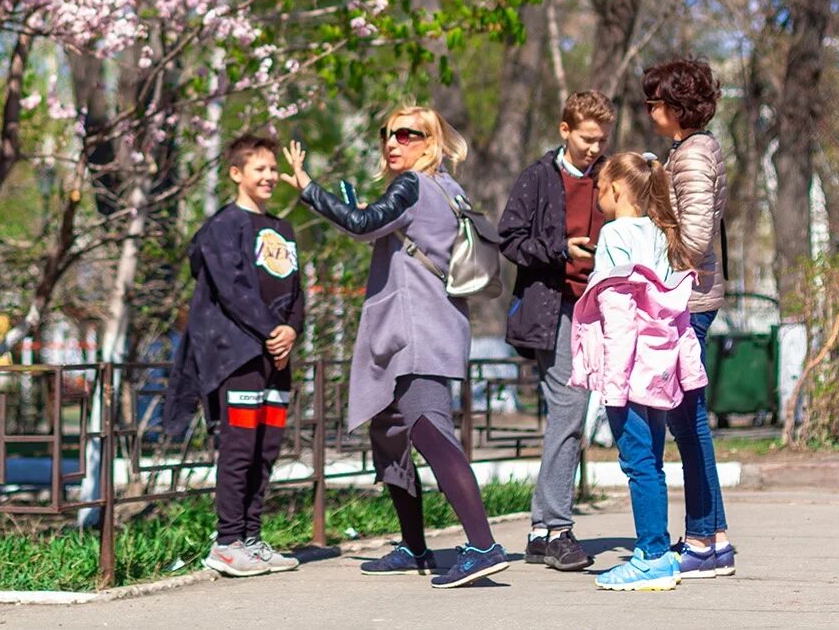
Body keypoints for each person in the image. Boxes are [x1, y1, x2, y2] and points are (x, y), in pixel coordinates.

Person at [282, 106, 511, 589]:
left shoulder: (413, 184)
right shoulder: (451, 190)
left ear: (430, 143)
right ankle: (413, 546)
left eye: (407, 134)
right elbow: (373, 227)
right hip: (422, 327)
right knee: (388, 433)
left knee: (429, 431)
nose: (393, 142)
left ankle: (483, 545)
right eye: (388, 133)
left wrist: (307, 188)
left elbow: (363, 223)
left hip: (416, 333)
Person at [165, 133, 307, 578]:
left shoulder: (283, 229)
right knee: (239, 449)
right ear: (236, 174)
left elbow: (296, 290)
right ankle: (227, 543)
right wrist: (270, 332)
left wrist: (291, 331)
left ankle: (251, 537)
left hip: (276, 358)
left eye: (271, 169)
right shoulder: (222, 228)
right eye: (258, 169)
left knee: (266, 450)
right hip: (236, 356)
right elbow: (235, 292)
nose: (268, 177)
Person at [569, 151, 706, 592]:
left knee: (638, 463)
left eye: (601, 189)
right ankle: (659, 552)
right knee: (653, 463)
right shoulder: (662, 233)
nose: (598, 198)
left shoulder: (614, 234)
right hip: (658, 368)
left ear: (617, 190)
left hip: (627, 371)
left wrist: (612, 383)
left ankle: (651, 555)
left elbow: (618, 309)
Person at [499, 89, 613, 572]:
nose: (593, 148)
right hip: (553, 309)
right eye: (586, 139)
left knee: (569, 414)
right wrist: (562, 249)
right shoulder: (538, 178)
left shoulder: (609, 176)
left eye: (601, 140)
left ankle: (541, 531)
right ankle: (556, 529)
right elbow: (509, 238)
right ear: (565, 130)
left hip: (602, 305)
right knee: (570, 407)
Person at [642, 57, 737, 578]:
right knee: (689, 419)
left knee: (688, 422)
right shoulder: (686, 152)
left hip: (689, 300)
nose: (650, 111)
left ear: (676, 106)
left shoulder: (694, 156)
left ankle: (701, 537)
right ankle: (714, 537)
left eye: (653, 102)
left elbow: (696, 240)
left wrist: (651, 244)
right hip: (692, 296)